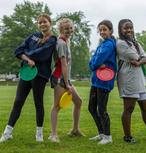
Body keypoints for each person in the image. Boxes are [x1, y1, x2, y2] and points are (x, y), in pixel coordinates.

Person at [0, 13, 57, 143]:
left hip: (40, 75)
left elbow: (41, 54)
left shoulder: (52, 39)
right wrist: (26, 58)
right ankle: (7, 133)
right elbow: (18, 50)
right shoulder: (33, 36)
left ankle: (39, 134)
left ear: (50, 23)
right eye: (40, 22)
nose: (42, 24)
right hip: (26, 73)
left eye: (45, 22)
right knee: (18, 102)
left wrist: (26, 55)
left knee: (38, 104)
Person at [117, 19, 146, 143]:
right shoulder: (120, 43)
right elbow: (136, 57)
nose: (129, 30)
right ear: (120, 29)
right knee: (129, 108)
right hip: (128, 79)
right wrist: (141, 59)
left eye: (131, 27)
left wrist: (140, 62)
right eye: (126, 28)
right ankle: (127, 137)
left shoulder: (135, 43)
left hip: (139, 78)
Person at [49, 18, 84, 143]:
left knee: (78, 102)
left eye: (70, 28)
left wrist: (68, 81)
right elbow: (63, 65)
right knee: (57, 106)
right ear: (60, 30)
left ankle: (75, 130)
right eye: (66, 29)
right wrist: (67, 83)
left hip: (65, 78)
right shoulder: (61, 43)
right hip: (59, 78)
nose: (69, 30)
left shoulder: (66, 41)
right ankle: (53, 135)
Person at [88, 20, 117, 144]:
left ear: (110, 30)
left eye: (104, 29)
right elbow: (93, 60)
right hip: (96, 80)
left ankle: (108, 136)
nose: (102, 32)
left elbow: (98, 59)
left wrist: (94, 64)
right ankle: (101, 133)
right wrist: (94, 65)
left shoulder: (110, 44)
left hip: (104, 81)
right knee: (91, 107)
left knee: (101, 109)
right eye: (100, 30)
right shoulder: (102, 44)